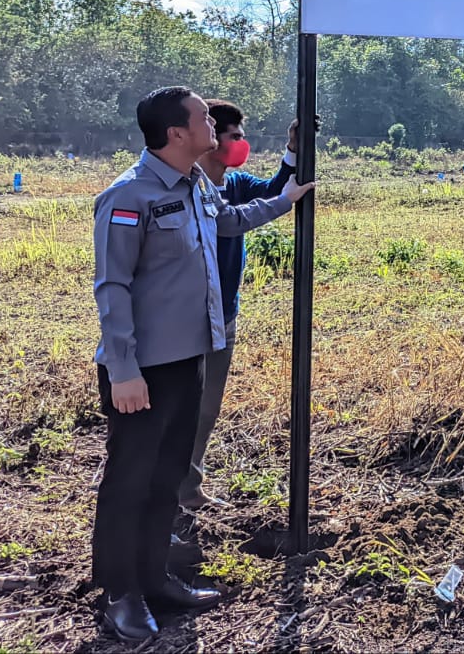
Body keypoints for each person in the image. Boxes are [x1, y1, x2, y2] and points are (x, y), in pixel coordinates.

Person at [91, 86, 314, 641]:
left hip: (190, 357)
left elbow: (230, 221)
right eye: (203, 122)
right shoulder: (128, 197)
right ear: (176, 134)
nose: (214, 130)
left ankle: (156, 578)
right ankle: (121, 594)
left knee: (166, 477)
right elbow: (112, 286)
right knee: (130, 481)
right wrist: (123, 369)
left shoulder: (195, 185)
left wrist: (286, 200)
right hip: (142, 370)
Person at [177, 101, 311, 512]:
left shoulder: (233, 183)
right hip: (185, 319)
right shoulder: (191, 190)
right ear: (210, 141)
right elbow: (236, 217)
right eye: (233, 136)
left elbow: (275, 190)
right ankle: (166, 493)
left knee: (207, 406)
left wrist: (293, 149)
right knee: (179, 407)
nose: (240, 143)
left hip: (224, 316)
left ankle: (189, 486)